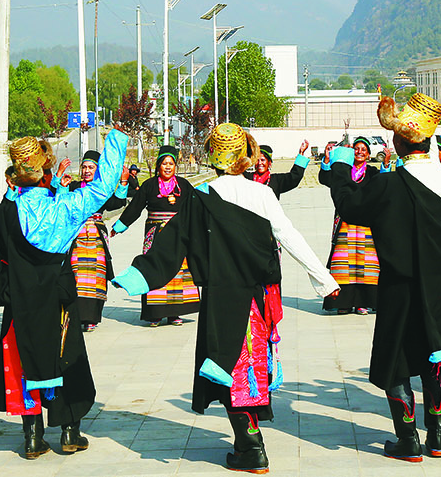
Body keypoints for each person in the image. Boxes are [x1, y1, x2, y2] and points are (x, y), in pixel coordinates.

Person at [113, 123, 338, 473]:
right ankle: (249, 442)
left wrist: (138, 275)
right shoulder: (261, 193)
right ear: (244, 156)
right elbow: (289, 235)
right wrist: (323, 279)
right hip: (259, 297)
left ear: (213, 157)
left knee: (229, 367)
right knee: (251, 366)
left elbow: (171, 242)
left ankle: (251, 447)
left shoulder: (201, 196)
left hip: (221, 295)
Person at [0, 128, 128, 459]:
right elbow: (104, 187)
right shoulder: (65, 207)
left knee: (25, 362)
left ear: (15, 177)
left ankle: (33, 437)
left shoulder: (4, 215)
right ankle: (70, 432)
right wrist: (115, 141)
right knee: (65, 358)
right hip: (59, 299)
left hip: (20, 302)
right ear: (46, 175)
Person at [323, 93, 441, 462]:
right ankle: (437, 438)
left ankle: (408, 440)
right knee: (436, 354)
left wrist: (341, 164)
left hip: (399, 285)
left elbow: (349, 205)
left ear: (398, 142)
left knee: (395, 359)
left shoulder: (386, 185)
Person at [113, 146, 200, 326]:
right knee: (153, 268)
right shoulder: (149, 185)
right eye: (164, 163)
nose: (168, 167)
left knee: (177, 271)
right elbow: (135, 207)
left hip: (178, 235)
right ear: (158, 165)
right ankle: (155, 313)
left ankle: (175, 313)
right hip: (155, 235)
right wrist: (120, 225)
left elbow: (196, 206)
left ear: (175, 166)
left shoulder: (184, 185)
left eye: (171, 164)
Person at [70, 150, 136, 331]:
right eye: (84, 167)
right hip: (76, 237)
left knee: (96, 276)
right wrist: (60, 182)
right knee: (75, 275)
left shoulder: (102, 189)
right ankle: (74, 316)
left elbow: (117, 203)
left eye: (91, 167)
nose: (87, 171)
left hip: (96, 238)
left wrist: (123, 182)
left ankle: (91, 317)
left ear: (98, 170)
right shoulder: (74, 187)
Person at [318, 134, 381, 315]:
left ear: (368, 154)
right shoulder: (343, 170)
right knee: (342, 263)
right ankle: (344, 302)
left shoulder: (372, 173)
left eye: (363, 150)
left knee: (365, 263)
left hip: (365, 224)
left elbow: (382, 185)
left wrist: (385, 166)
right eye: (356, 149)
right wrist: (327, 160)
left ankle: (363, 302)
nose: (359, 152)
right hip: (345, 224)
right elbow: (325, 179)